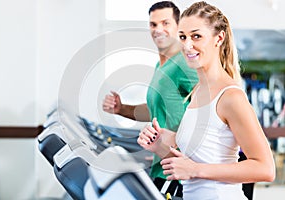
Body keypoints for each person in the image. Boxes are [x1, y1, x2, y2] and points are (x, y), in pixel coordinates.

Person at [137, 1, 275, 199]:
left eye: (196, 36)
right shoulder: (197, 90)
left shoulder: (230, 96)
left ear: (219, 38)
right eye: (183, 37)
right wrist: (158, 144)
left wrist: (196, 170)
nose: (187, 45)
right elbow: (190, 166)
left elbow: (266, 169)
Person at [102, 1, 198, 197]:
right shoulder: (160, 66)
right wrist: (122, 109)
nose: (158, 29)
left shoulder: (185, 62)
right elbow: (155, 109)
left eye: (165, 23)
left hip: (179, 171)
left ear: (178, 26)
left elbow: (212, 108)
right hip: (161, 166)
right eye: (153, 25)